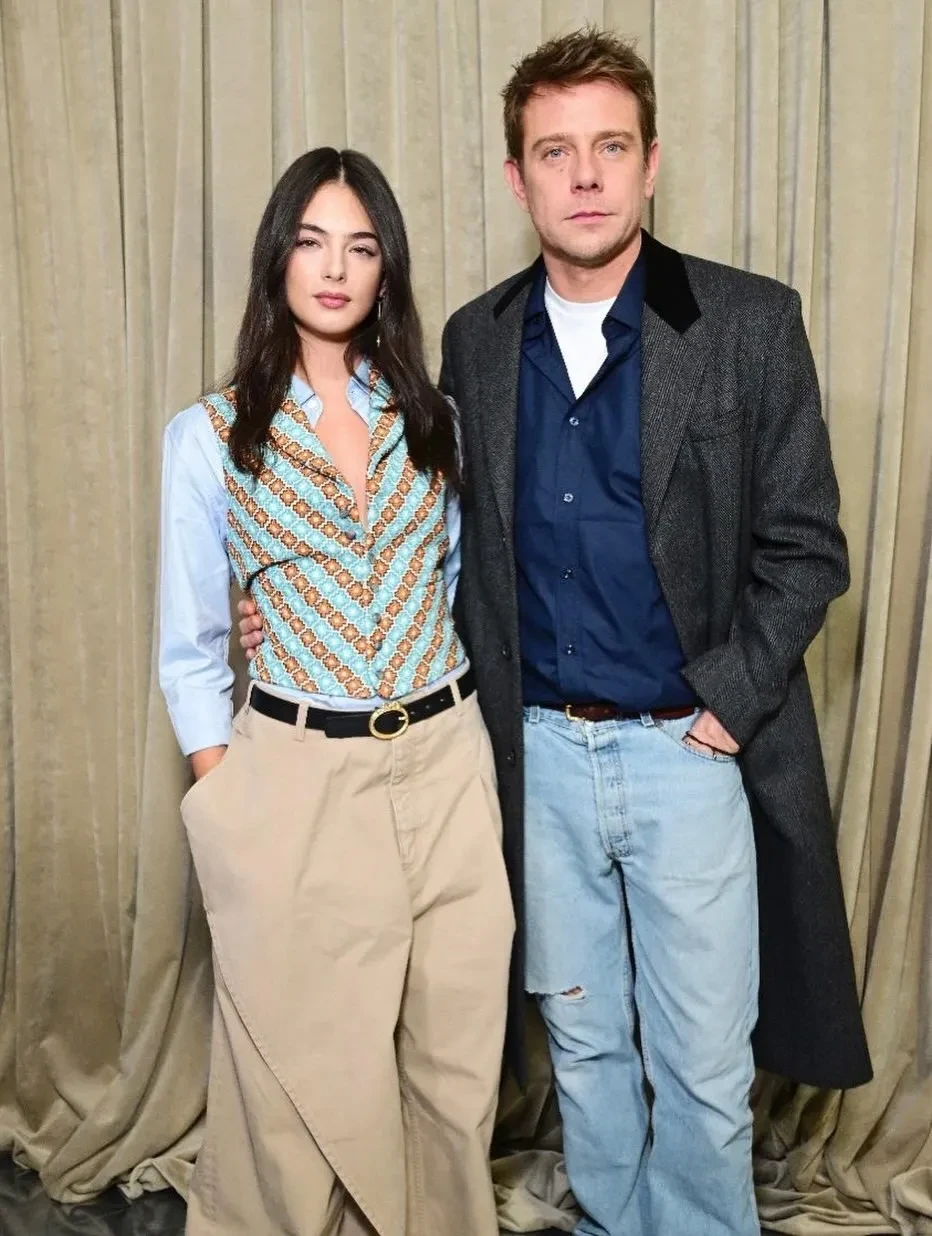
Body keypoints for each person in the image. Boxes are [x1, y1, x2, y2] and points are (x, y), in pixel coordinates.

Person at [240, 28, 872, 1236]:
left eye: (609, 148)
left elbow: (805, 547)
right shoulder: (475, 342)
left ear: (650, 164)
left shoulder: (744, 323)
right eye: (553, 152)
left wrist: (724, 706)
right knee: (582, 1045)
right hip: (532, 757)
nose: (583, 176)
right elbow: (424, 535)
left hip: (688, 753)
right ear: (515, 176)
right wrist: (282, 596)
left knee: (700, 1061)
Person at [159, 146, 513, 1236]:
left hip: (445, 760)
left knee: (454, 1052)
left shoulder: (434, 418)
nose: (333, 268)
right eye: (310, 242)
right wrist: (229, 796)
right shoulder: (210, 436)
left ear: (385, 270)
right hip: (300, 773)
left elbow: (445, 585)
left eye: (360, 248)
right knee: (302, 1070)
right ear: (277, 259)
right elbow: (191, 645)